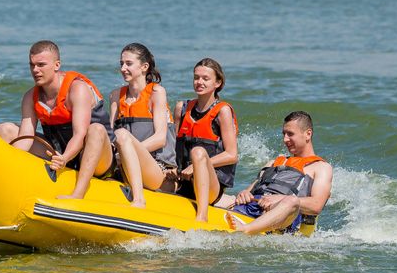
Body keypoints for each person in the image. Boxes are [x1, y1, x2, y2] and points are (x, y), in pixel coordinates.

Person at [0, 40, 113, 200]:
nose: (35, 70)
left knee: (96, 129)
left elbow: (79, 134)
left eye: (41, 65)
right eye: (32, 65)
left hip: (97, 157)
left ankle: (78, 194)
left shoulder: (77, 89)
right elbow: (25, 139)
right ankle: (5, 184)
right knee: (6, 129)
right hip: (59, 153)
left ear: (57, 65)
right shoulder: (31, 97)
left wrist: (65, 158)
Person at [227, 110, 333, 234]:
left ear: (308, 134)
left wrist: (280, 199)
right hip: (253, 205)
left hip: (283, 215)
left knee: (292, 201)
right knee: (212, 198)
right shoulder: (273, 162)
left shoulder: (321, 167)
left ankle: (247, 229)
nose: (285, 139)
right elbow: (250, 190)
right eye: (284, 134)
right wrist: (244, 193)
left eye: (290, 134)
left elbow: (316, 205)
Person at [110, 43, 177, 208]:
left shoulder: (156, 93)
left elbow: (160, 139)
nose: (123, 68)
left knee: (122, 135)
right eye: (121, 64)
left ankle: (139, 200)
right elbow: (110, 136)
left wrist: (127, 152)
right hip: (123, 165)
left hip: (158, 172)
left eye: (128, 63)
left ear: (144, 67)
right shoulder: (116, 95)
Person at [172, 58, 238, 222]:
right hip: (182, 181)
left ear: (218, 83)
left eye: (205, 78)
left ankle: (202, 217)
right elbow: (172, 146)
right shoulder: (182, 108)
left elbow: (231, 155)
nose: (199, 82)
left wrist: (196, 165)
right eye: (196, 77)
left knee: (198, 152)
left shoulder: (222, 111)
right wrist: (170, 167)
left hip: (210, 186)